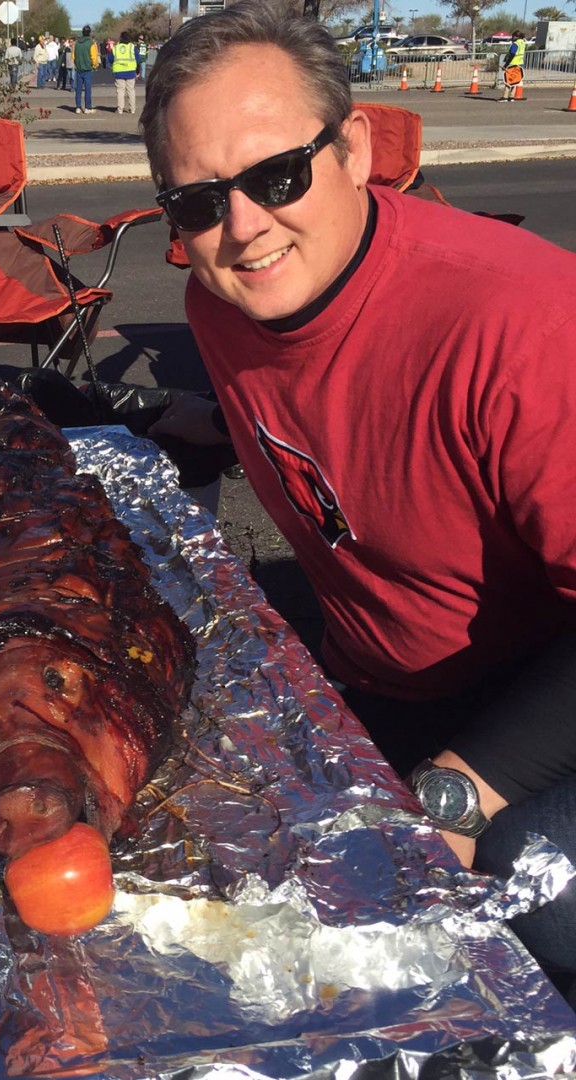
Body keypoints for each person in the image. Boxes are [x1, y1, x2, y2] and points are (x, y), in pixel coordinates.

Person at [141, 0, 576, 1003]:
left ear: (356, 149)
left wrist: (463, 793)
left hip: (540, 701)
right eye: (197, 202)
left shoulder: (521, 326)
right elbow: (312, 414)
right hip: (379, 684)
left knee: (532, 882)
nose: (242, 226)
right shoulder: (224, 301)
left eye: (276, 176)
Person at [112, 29, 138, 114]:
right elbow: (137, 59)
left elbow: (110, 58)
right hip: (130, 71)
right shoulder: (132, 47)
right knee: (131, 90)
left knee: (120, 91)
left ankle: (120, 109)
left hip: (119, 71)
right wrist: (137, 70)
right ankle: (132, 109)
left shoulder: (116, 47)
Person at [73, 25, 97, 113]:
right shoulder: (91, 43)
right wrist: (94, 66)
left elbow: (73, 56)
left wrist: (77, 64)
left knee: (78, 89)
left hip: (79, 69)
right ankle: (87, 107)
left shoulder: (77, 43)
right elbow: (94, 57)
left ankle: (78, 107)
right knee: (87, 89)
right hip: (88, 69)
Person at [500, 30, 526, 102]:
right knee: (515, 80)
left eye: (512, 36)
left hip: (513, 64)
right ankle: (511, 97)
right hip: (520, 64)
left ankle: (505, 97)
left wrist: (506, 65)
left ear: (515, 36)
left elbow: (512, 54)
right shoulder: (522, 43)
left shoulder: (515, 44)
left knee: (509, 80)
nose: (512, 38)